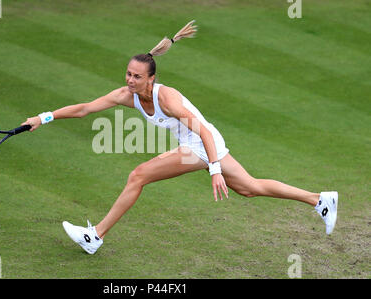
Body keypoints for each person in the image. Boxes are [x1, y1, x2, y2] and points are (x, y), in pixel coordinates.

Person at [21, 21, 338, 255]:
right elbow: (84, 109)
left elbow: (200, 130)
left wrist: (213, 169)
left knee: (138, 175)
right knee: (250, 188)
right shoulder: (125, 95)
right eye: (128, 74)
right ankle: (320, 200)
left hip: (202, 143)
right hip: (201, 142)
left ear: (151, 78)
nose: (130, 80)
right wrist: (43, 117)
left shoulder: (167, 98)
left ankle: (96, 236)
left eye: (137, 76)